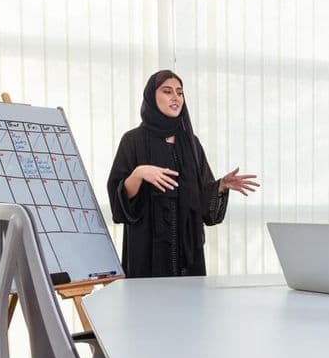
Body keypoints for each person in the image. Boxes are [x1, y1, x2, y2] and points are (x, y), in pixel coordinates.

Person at [107, 69, 259, 278]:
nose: (175, 97)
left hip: (188, 256)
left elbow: (203, 203)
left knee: (189, 308)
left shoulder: (191, 143)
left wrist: (221, 186)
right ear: (152, 97)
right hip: (146, 252)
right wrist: (139, 173)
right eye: (167, 91)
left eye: (179, 92)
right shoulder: (133, 140)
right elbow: (119, 204)